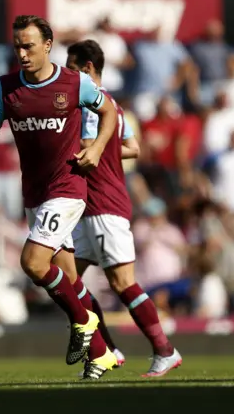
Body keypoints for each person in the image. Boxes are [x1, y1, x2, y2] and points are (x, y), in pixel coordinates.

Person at [0, 15, 119, 366]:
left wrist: (96, 148)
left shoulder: (74, 83)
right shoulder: (5, 87)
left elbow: (108, 111)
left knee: (33, 263)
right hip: (35, 193)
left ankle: (84, 320)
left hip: (67, 189)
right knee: (66, 276)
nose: (22, 53)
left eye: (29, 46)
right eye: (17, 46)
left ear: (48, 46)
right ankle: (101, 354)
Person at [66, 40, 182, 378]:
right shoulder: (114, 107)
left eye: (71, 70)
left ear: (87, 70)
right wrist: (107, 148)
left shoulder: (90, 108)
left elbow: (88, 146)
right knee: (67, 281)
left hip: (103, 203)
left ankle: (165, 350)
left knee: (123, 283)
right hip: (88, 207)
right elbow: (132, 147)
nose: (66, 78)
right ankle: (109, 348)